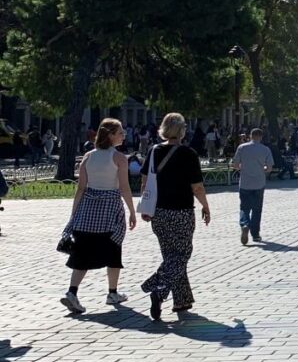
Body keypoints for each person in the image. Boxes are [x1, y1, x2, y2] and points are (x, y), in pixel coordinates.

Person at [60, 119, 137, 314]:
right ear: (110, 135)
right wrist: (131, 211)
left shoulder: (88, 156)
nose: (123, 135)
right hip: (110, 210)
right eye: (120, 132)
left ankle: (72, 292)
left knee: (82, 253)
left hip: (88, 210)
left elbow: (81, 188)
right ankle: (112, 292)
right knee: (113, 248)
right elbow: (124, 187)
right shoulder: (119, 158)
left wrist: (74, 214)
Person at [140, 113, 211, 320]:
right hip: (181, 212)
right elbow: (196, 186)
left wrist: (147, 207)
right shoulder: (188, 154)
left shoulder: (153, 151)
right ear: (181, 130)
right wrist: (205, 206)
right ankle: (157, 288)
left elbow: (145, 182)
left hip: (159, 212)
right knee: (182, 255)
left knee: (171, 256)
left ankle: (181, 301)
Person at [231, 128, 274, 245]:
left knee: (244, 207)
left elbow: (235, 165)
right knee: (257, 209)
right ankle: (255, 234)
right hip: (259, 183)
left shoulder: (242, 147)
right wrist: (263, 169)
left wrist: (243, 168)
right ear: (261, 137)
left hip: (245, 182)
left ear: (250, 136)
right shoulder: (265, 149)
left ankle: (244, 224)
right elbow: (269, 168)